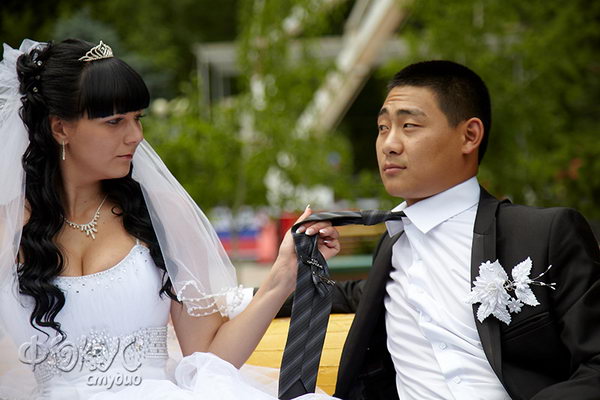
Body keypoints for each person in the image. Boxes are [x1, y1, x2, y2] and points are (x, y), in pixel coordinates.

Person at [0, 38, 340, 399]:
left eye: (137, 118)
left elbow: (209, 358)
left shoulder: (159, 212)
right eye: (115, 121)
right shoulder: (8, 228)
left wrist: (283, 276)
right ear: (60, 128)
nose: (135, 136)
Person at [329, 61, 600, 399]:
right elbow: (352, 294)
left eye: (409, 125)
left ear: (469, 136)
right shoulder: (394, 245)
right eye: (383, 128)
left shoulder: (542, 234)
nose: (389, 144)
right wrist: (280, 276)